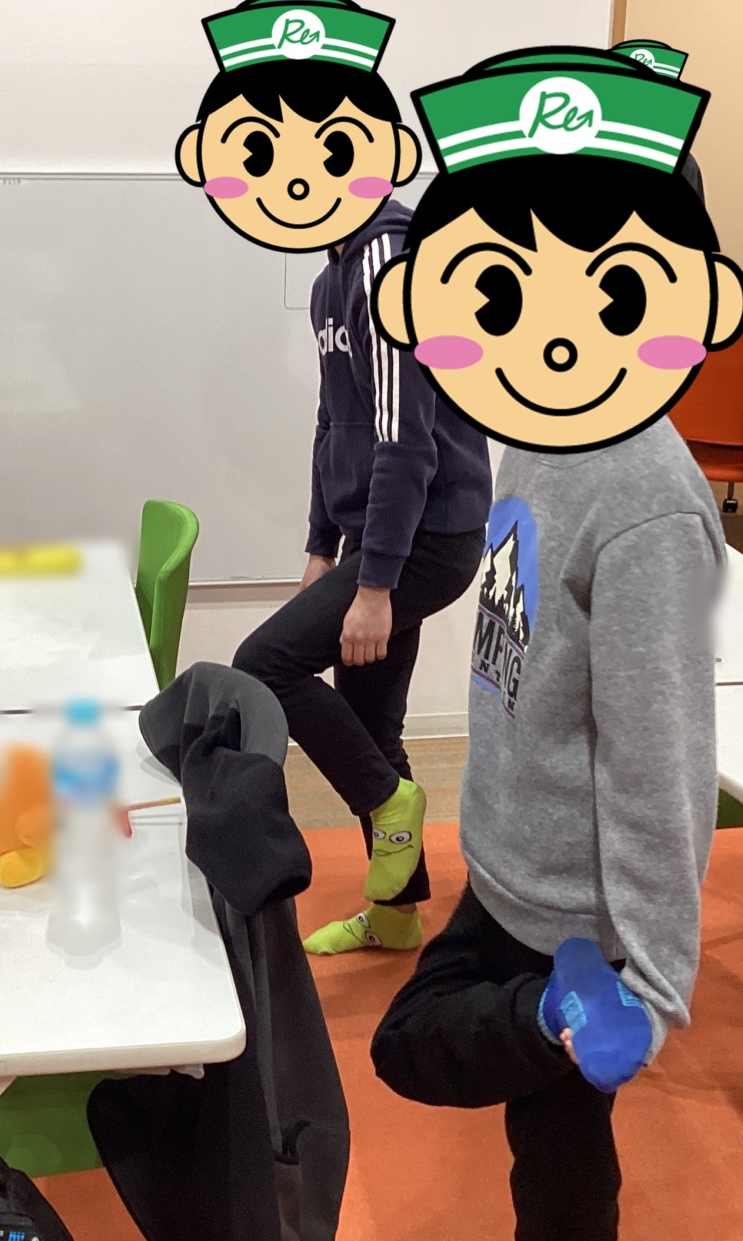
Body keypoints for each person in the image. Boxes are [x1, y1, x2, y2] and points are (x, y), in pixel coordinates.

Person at [367, 48, 743, 1241]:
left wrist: (651, 969)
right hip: (511, 864)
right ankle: (552, 1028)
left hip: (578, 908)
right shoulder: (537, 432)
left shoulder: (647, 503)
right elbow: (514, 653)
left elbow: (663, 756)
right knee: (482, 1093)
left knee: (546, 1148)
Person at [176, 1, 492, 953]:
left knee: (263, 664)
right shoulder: (332, 275)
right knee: (368, 719)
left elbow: (406, 440)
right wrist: (323, 546)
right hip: (381, 535)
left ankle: (391, 805)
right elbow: (334, 421)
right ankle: (397, 915)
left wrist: (377, 583)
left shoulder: (392, 259)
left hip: (427, 536)